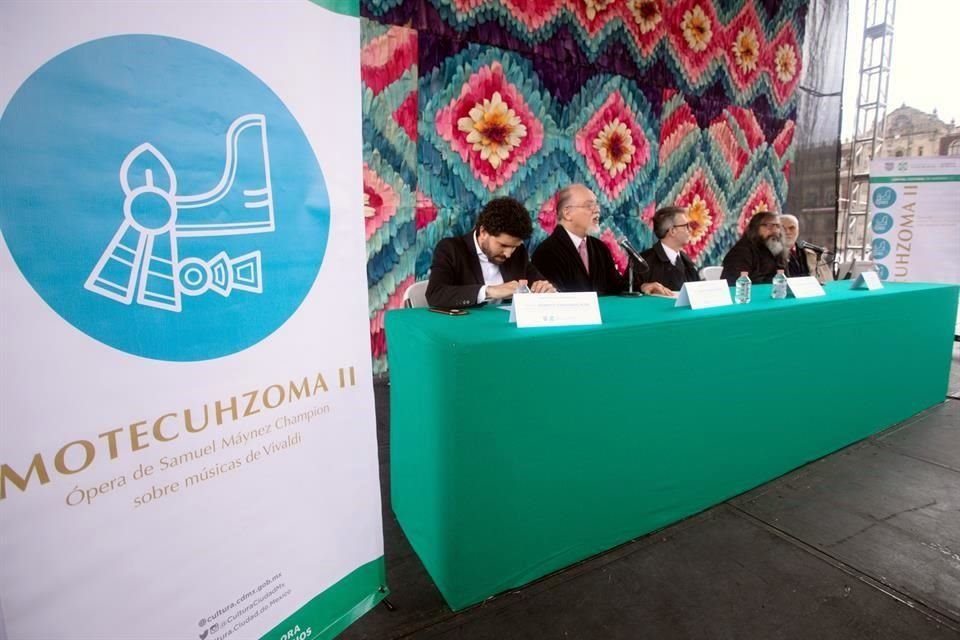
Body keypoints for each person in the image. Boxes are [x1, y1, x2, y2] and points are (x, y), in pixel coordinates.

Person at [531, 184, 673, 296]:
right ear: (567, 213)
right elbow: (554, 296)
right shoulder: (547, 252)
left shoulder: (599, 247)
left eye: (597, 204)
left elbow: (615, 285)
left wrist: (643, 286)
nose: (597, 210)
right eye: (589, 206)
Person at [426, 196, 555, 308]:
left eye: (514, 247)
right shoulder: (451, 249)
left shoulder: (518, 252)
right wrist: (490, 291)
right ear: (483, 232)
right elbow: (435, 294)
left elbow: (539, 284)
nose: (508, 254)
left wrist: (545, 290)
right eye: (503, 245)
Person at [639, 206, 701, 291]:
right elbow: (627, 291)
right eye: (686, 226)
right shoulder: (643, 262)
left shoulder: (687, 262)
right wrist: (643, 287)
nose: (690, 229)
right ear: (672, 231)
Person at [720, 211, 787, 285]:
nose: (775, 230)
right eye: (768, 226)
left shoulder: (776, 249)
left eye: (777, 226)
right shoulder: (742, 251)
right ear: (755, 228)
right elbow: (735, 283)